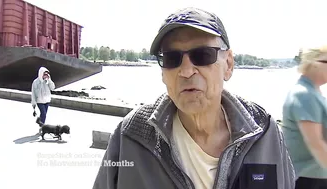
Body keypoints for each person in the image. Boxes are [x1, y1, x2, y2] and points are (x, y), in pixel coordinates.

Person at [93, 7, 295, 189]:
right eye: (172, 58)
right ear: (163, 73)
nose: (187, 71)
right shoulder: (131, 135)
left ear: (229, 64)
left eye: (203, 55)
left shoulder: (265, 133)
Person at [282, 45, 327, 189]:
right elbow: (316, 144)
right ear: (312, 63)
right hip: (309, 180)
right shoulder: (304, 95)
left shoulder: (314, 92)